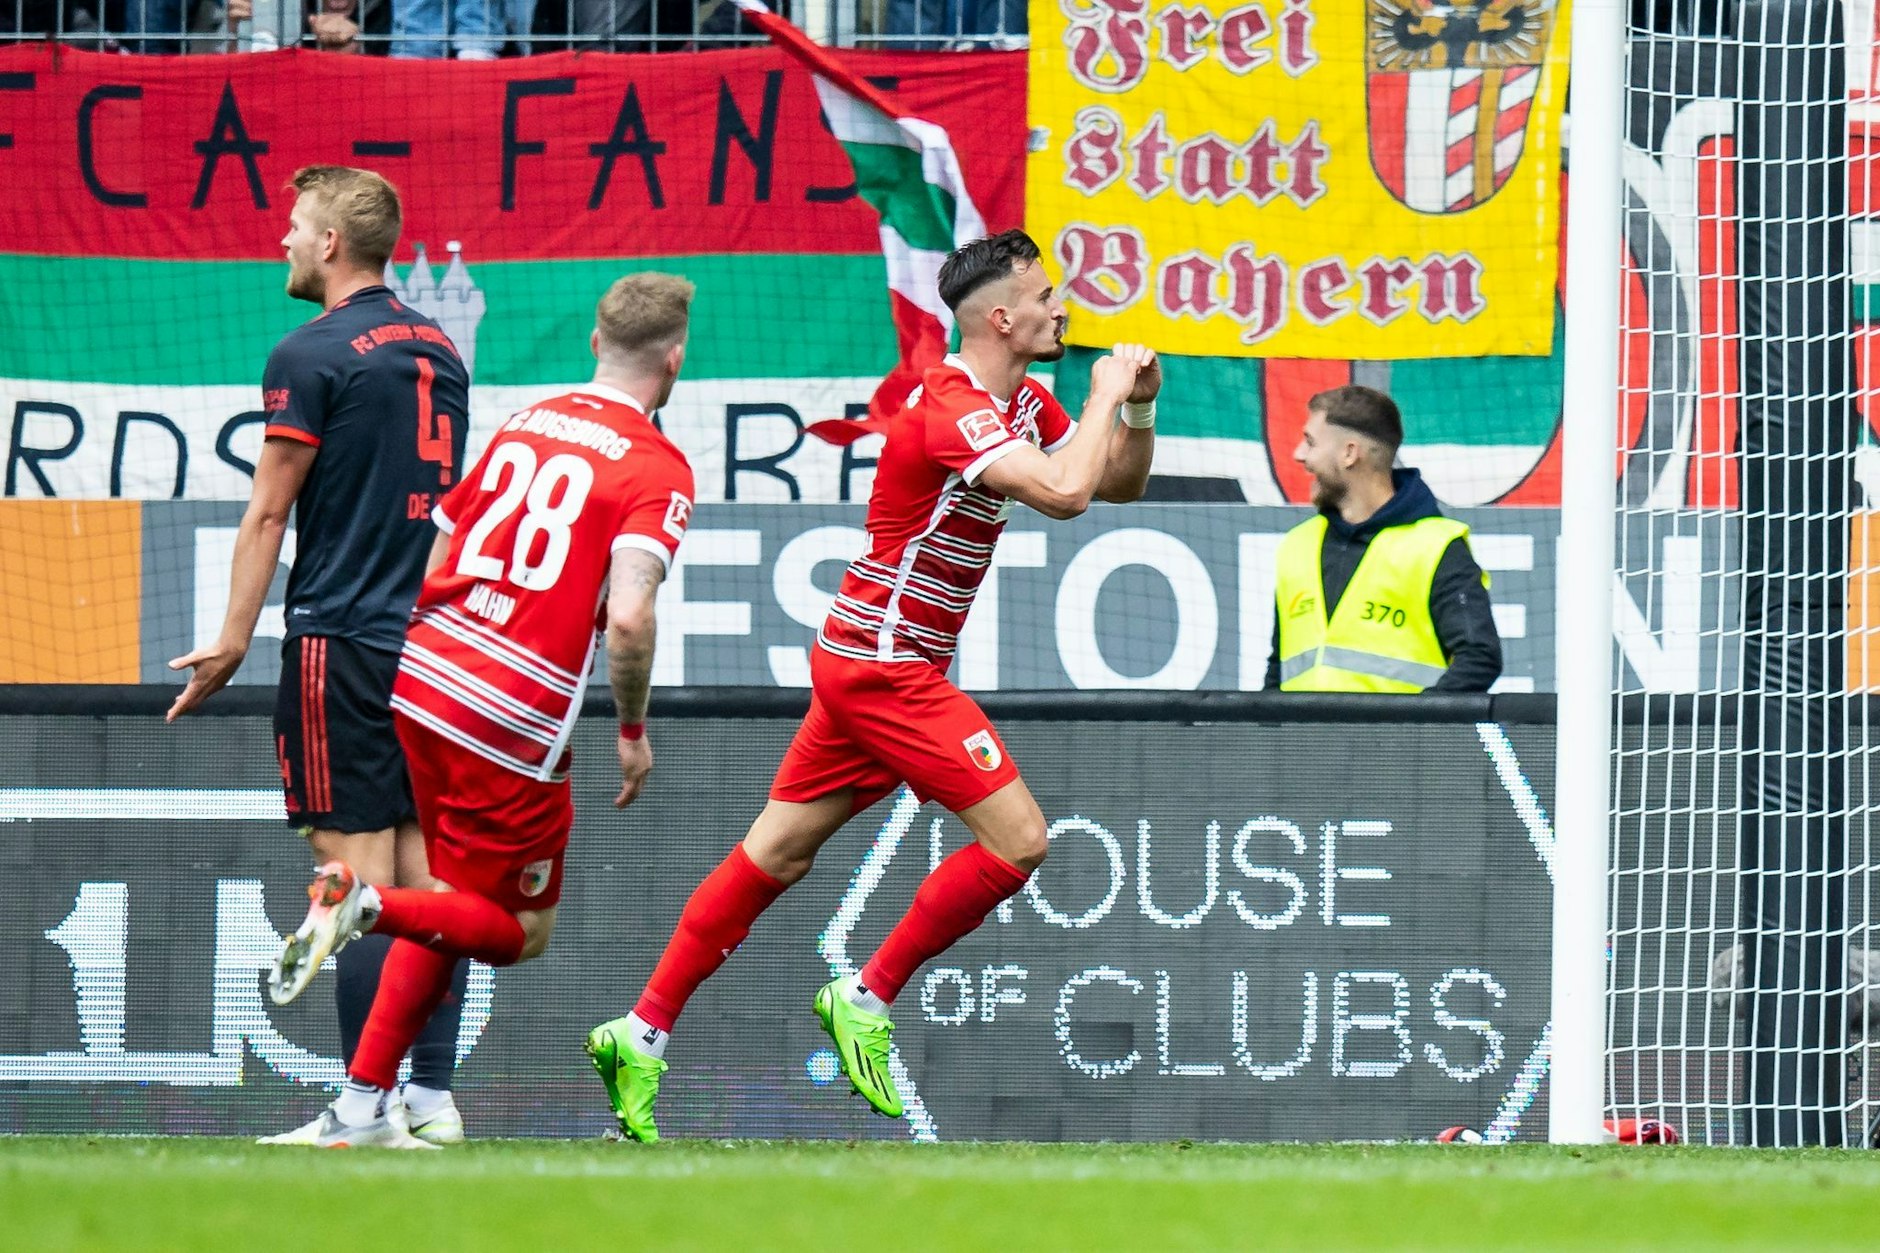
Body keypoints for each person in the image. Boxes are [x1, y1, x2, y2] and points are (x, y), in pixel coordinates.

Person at [585, 228, 1159, 1142]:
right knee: (1020, 842)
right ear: (1003, 317)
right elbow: (1063, 493)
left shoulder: (1027, 402)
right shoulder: (952, 406)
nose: (1063, 308)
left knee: (774, 854)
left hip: (872, 659)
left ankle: (640, 1030)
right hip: (885, 666)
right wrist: (1101, 393)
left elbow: (1114, 483)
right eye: (1048, 295)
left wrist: (1133, 413)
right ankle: (866, 993)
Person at [262, 272, 698, 1149]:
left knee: (452, 901)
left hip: (422, 675)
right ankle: (369, 905)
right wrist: (632, 729)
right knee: (515, 932)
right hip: (512, 713)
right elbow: (632, 618)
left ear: (592, 342)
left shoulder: (525, 423)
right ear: (676, 360)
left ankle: (363, 1112)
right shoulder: (657, 465)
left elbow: (442, 548)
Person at [166, 166, 474, 1145]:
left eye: (295, 227)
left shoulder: (310, 352)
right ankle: (428, 1097)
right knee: (428, 885)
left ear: (334, 243)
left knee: (353, 885)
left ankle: (360, 1107)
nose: (284, 241)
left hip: (338, 638)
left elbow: (266, 510)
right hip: (426, 648)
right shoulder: (442, 349)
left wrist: (227, 639)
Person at [1264, 385, 1501, 693]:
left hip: (1398, 743)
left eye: (1310, 442)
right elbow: (1277, 671)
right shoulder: (1297, 545)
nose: (1299, 454)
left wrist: (1412, 732)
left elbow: (1479, 658)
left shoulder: (1436, 546)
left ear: (1349, 453)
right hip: (1306, 743)